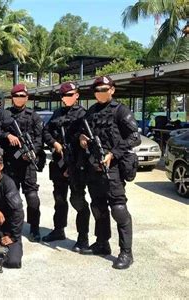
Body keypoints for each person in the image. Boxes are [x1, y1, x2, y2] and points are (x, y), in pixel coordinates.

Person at [79, 76, 140, 269]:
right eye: (97, 90)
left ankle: (126, 253)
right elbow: (85, 133)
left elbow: (135, 137)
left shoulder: (121, 111)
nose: (100, 93)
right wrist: (82, 138)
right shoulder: (91, 111)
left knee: (118, 209)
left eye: (104, 89)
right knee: (98, 207)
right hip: (94, 166)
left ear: (112, 90)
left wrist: (113, 153)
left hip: (112, 167)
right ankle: (102, 243)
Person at [42, 82, 90, 252]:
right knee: (59, 199)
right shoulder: (57, 113)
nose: (66, 98)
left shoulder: (84, 115)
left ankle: (83, 238)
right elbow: (45, 132)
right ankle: (58, 230)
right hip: (59, 163)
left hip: (77, 164)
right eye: (64, 95)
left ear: (77, 95)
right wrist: (55, 144)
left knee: (78, 201)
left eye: (70, 94)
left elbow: (89, 140)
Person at [0, 84, 43, 242]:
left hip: (27, 163)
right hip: (11, 162)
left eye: (22, 96)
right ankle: (12, 227)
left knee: (32, 197)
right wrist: (7, 135)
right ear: (12, 98)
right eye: (16, 96)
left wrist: (32, 152)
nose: (19, 98)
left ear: (27, 97)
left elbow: (39, 138)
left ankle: (34, 228)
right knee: (11, 197)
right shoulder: (5, 115)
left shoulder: (34, 116)